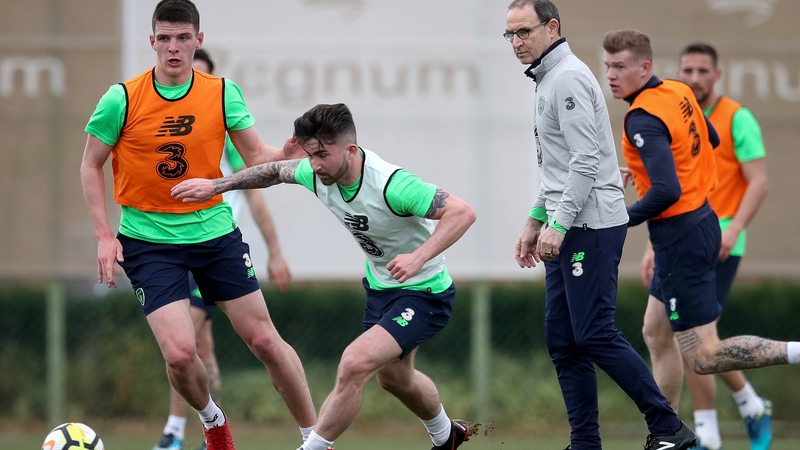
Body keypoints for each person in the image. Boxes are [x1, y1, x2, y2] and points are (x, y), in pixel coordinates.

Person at [79, 1, 317, 449]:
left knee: (265, 341)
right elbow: (90, 165)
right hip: (148, 243)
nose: (173, 47)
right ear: (152, 42)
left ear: (198, 41)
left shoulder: (223, 92)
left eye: (183, 38)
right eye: (164, 38)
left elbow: (257, 158)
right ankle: (212, 421)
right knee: (181, 355)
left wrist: (285, 153)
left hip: (215, 236)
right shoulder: (122, 98)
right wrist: (103, 236)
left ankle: (315, 438)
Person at [171, 103, 477, 450]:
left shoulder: (392, 184)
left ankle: (312, 447)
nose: (314, 165)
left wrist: (418, 257)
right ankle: (446, 435)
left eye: (322, 155)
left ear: (350, 149)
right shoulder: (318, 174)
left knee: (354, 363)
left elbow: (462, 212)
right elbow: (273, 171)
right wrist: (217, 186)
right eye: (310, 155)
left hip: (424, 293)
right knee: (394, 378)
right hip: (381, 290)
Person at [505, 2, 695, 450]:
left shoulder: (566, 77)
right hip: (567, 223)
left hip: (588, 226)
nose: (516, 43)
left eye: (524, 32)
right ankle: (585, 443)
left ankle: (668, 428)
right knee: (563, 340)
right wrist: (536, 220)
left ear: (551, 27)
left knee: (593, 332)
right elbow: (558, 167)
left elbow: (586, 161)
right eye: (509, 35)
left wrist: (558, 224)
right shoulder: (548, 77)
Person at [603, 28, 800, 449]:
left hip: (683, 238)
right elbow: (707, 139)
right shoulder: (676, 91)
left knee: (705, 355)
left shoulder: (642, 116)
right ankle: (669, 433)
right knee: (656, 331)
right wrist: (646, 172)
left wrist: (619, 221)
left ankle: (790, 358)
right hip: (699, 223)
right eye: (607, 66)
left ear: (644, 67)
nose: (611, 75)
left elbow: (667, 191)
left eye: (620, 66)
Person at [152, 48, 294, 450]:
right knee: (200, 346)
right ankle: (207, 433)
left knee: (187, 342)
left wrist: (275, 250)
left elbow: (256, 194)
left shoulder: (221, 138)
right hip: (167, 246)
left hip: (211, 247)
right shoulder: (158, 127)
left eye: (201, 76)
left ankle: (175, 434)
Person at [634, 43, 772, 450]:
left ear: (717, 75)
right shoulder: (677, 112)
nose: (693, 78)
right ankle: (743, 407)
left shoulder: (736, 118)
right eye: (687, 70)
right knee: (675, 335)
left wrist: (734, 229)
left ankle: (709, 433)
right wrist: (651, 247)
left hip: (718, 238)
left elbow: (759, 182)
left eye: (701, 70)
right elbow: (669, 190)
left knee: (690, 338)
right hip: (679, 237)